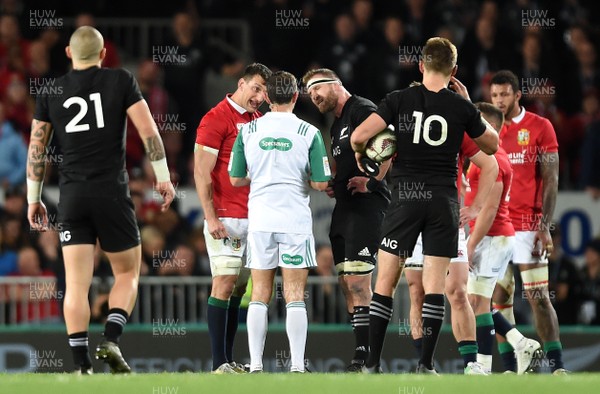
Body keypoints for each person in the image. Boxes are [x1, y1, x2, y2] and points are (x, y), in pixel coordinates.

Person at [26, 26, 175, 374]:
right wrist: (164, 177)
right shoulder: (120, 80)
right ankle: (111, 338)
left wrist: (34, 198)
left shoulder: (50, 91)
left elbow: (37, 149)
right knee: (127, 272)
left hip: (72, 195)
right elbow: (149, 131)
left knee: (76, 284)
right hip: (112, 192)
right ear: (104, 53)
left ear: (67, 53)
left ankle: (80, 365)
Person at [350, 37, 498, 374]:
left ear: (421, 66)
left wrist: (362, 155)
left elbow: (360, 137)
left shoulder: (399, 100)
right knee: (434, 288)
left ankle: (372, 364)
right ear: (454, 70)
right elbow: (492, 146)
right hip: (443, 201)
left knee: (384, 282)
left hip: (405, 198)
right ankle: (426, 365)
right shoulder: (461, 108)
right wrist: (468, 105)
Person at [229, 71, 330, 373]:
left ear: (268, 98)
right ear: (296, 96)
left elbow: (235, 178)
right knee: (295, 294)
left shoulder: (247, 131)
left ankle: (256, 365)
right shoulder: (309, 132)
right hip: (294, 222)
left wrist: (261, 177)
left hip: (260, 219)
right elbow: (322, 184)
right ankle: (297, 366)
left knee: (259, 293)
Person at [301, 67, 391, 371]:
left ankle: (369, 360)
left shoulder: (360, 109)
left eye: (316, 88)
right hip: (345, 208)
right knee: (344, 281)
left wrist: (374, 182)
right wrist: (334, 181)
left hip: (366, 207)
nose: (313, 96)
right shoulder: (337, 122)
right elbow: (347, 163)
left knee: (357, 281)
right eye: (309, 92)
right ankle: (361, 354)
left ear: (335, 85)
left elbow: (389, 142)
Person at [194, 62, 271, 373]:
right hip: (225, 217)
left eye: (265, 92)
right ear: (241, 83)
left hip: (254, 217)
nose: (260, 97)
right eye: (256, 88)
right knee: (223, 284)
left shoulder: (258, 121)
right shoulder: (216, 118)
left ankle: (228, 360)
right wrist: (211, 217)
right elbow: (201, 171)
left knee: (239, 292)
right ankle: (218, 363)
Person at [489, 70, 567, 374]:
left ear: (518, 95)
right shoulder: (489, 130)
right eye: (494, 95)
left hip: (527, 225)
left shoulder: (540, 127)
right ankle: (512, 366)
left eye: (504, 94)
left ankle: (557, 365)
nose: (499, 100)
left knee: (538, 297)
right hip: (497, 227)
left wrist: (544, 225)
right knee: (497, 300)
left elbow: (551, 178)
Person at [465, 102, 541, 374]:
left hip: (493, 238)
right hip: (492, 237)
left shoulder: (495, 159)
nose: (472, 130)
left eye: (477, 124)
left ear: (491, 127)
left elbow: (491, 208)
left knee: (479, 302)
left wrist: (471, 244)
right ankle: (521, 342)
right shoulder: (490, 155)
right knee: (475, 301)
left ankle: (484, 365)